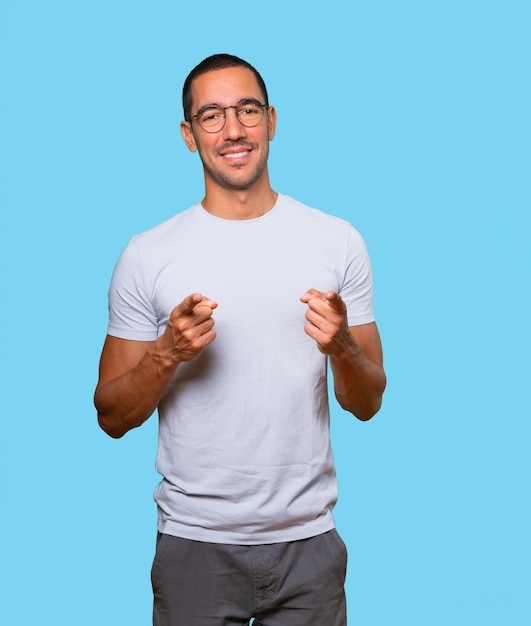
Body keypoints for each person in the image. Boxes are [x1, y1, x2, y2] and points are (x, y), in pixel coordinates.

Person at [95, 53, 386, 626]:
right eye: (211, 115)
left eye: (247, 110)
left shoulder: (338, 241)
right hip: (194, 547)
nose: (233, 129)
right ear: (188, 135)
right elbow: (110, 415)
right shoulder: (147, 253)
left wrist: (343, 349)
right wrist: (167, 354)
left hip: (310, 545)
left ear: (272, 121)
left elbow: (368, 402)